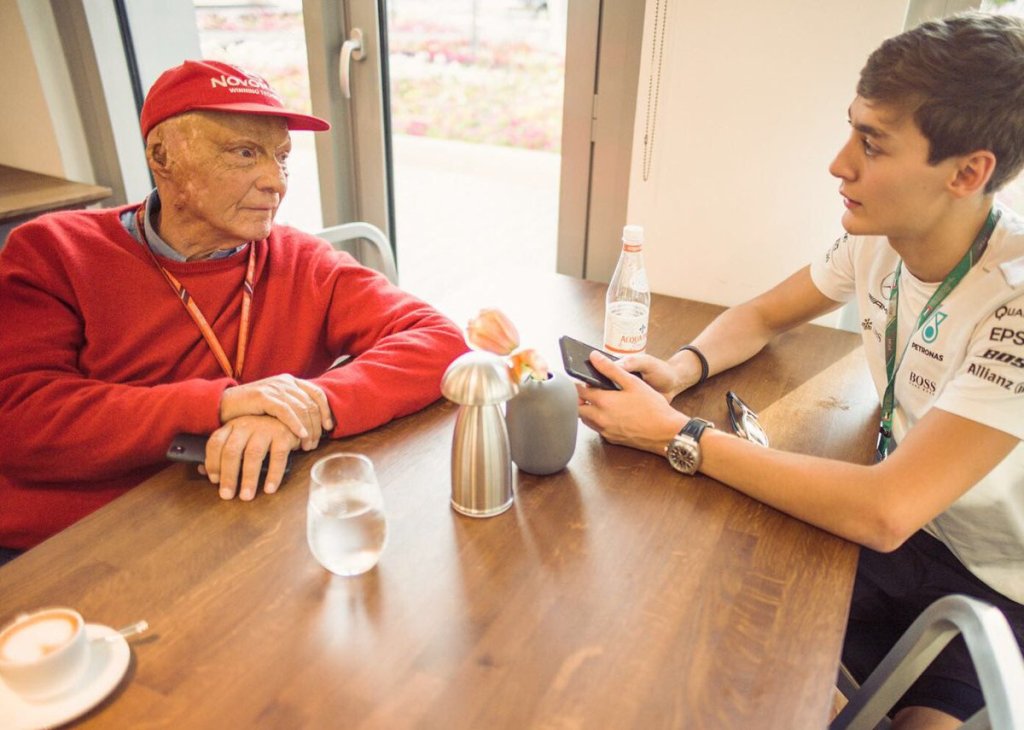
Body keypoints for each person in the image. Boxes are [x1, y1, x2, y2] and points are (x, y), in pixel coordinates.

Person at [576, 13, 1024, 730]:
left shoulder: (1017, 299)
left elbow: (885, 510)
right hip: (890, 539)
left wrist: (674, 435)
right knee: (701, 642)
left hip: (994, 588)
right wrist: (680, 367)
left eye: (871, 143)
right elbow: (761, 315)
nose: (839, 162)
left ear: (968, 173)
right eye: (851, 129)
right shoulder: (878, 242)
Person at [0, 60, 467, 560]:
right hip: (77, 542)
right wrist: (220, 405)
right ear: (162, 158)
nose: (277, 182)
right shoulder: (54, 251)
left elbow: (439, 341)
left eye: (282, 158)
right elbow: (20, 419)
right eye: (244, 153)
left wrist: (301, 407)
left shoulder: (303, 261)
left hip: (239, 521)